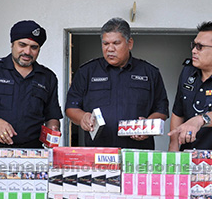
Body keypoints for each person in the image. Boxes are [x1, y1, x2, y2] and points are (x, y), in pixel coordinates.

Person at [65, 17, 169, 149]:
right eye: (105, 44)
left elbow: (161, 109)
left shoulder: (149, 72)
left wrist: (148, 125)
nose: (110, 49)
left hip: (138, 152)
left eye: (116, 43)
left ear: (129, 43)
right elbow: (71, 108)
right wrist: (82, 117)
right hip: (98, 152)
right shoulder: (87, 72)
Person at [0, 20, 63, 148]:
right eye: (22, 45)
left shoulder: (47, 77)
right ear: (12, 45)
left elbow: (52, 115)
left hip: (32, 151)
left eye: (34, 47)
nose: (27, 52)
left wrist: (53, 128)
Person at [168, 21, 212, 151]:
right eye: (194, 45)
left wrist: (201, 120)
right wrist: (173, 145)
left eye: (200, 47)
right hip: (188, 154)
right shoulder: (187, 72)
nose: (194, 51)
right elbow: (178, 112)